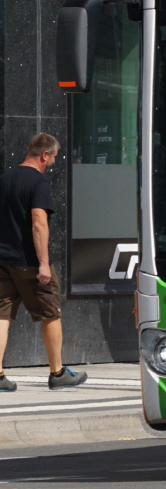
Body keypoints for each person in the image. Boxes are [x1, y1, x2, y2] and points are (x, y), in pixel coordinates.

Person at [0, 134, 87, 392]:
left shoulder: (5, 178)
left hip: (3, 261)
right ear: (44, 155)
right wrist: (44, 263)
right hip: (29, 262)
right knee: (51, 313)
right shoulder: (39, 182)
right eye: (54, 157)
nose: (53, 163)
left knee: (1, 315)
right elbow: (39, 223)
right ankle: (57, 373)